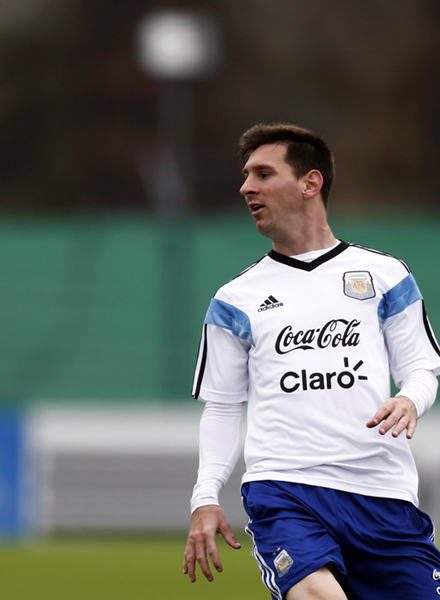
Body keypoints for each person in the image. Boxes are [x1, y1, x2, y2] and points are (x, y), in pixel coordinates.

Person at [182, 123, 440, 599]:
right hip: (286, 489)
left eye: (263, 173)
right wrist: (205, 496)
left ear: (310, 182)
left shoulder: (385, 276)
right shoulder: (235, 299)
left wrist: (409, 399)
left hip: (383, 493)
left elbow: (423, 368)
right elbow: (221, 407)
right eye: (245, 176)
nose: (246, 187)